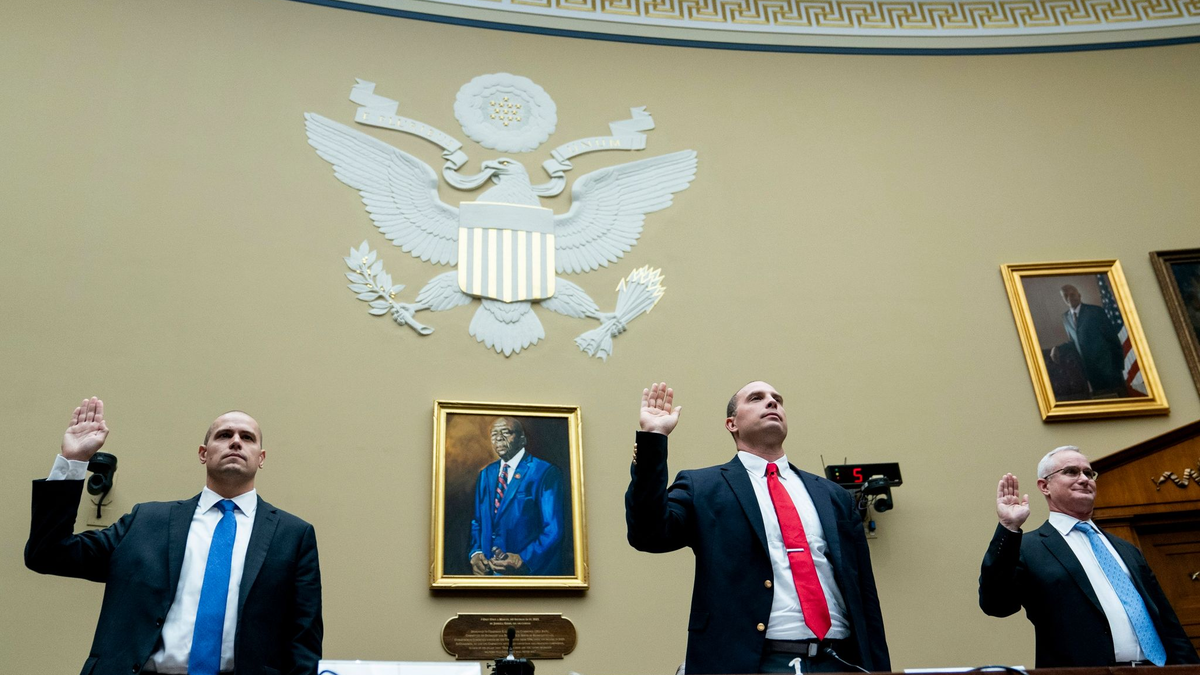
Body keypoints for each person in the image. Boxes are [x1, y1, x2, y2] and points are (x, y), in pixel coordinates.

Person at [25, 397, 322, 675]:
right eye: (223, 435)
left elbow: (304, 640)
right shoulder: (147, 522)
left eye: (247, 437)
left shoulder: (293, 536)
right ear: (203, 454)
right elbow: (48, 553)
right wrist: (73, 462)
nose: (235, 442)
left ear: (261, 457)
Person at [625, 382, 890, 675]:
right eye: (757, 398)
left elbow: (865, 595)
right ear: (732, 423)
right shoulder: (704, 487)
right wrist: (653, 438)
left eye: (777, 399)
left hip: (840, 660)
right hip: (753, 661)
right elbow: (647, 533)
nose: (772, 402)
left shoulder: (833, 495)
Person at [979, 445, 1197, 668]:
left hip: (1158, 670)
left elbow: (1167, 621)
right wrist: (1008, 527)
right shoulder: (1028, 548)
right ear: (1045, 486)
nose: (1084, 479)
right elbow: (997, 604)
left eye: (1089, 473)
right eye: (1071, 472)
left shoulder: (1125, 549)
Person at [469, 416, 567, 576]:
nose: (498, 438)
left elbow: (553, 529)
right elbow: (478, 521)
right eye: (494, 434)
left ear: (522, 439)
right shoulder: (486, 474)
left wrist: (523, 559)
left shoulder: (545, 472)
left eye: (506, 432)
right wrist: (476, 552)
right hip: (489, 577)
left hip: (529, 577)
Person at [1060, 284, 1126, 396]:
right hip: (1090, 370)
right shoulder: (1065, 317)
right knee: (1105, 403)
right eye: (1065, 295)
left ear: (1079, 295)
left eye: (1072, 294)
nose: (1069, 297)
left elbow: (1112, 338)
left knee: (1121, 398)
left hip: (1108, 367)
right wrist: (1057, 349)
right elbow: (1073, 341)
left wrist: (1118, 365)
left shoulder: (1096, 311)